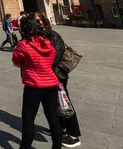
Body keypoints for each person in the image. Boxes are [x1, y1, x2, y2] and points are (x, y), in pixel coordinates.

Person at [12, 17, 62, 149]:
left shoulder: (23, 44)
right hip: (51, 84)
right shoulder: (48, 43)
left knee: (28, 118)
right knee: (53, 117)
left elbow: (16, 62)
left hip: (34, 85)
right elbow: (51, 60)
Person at [35, 12, 82, 147]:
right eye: (35, 22)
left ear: (44, 21)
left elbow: (56, 56)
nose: (37, 24)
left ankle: (74, 135)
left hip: (57, 75)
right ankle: (59, 128)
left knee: (64, 103)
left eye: (39, 21)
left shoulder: (52, 35)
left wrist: (42, 66)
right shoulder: (40, 36)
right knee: (55, 103)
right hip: (49, 75)